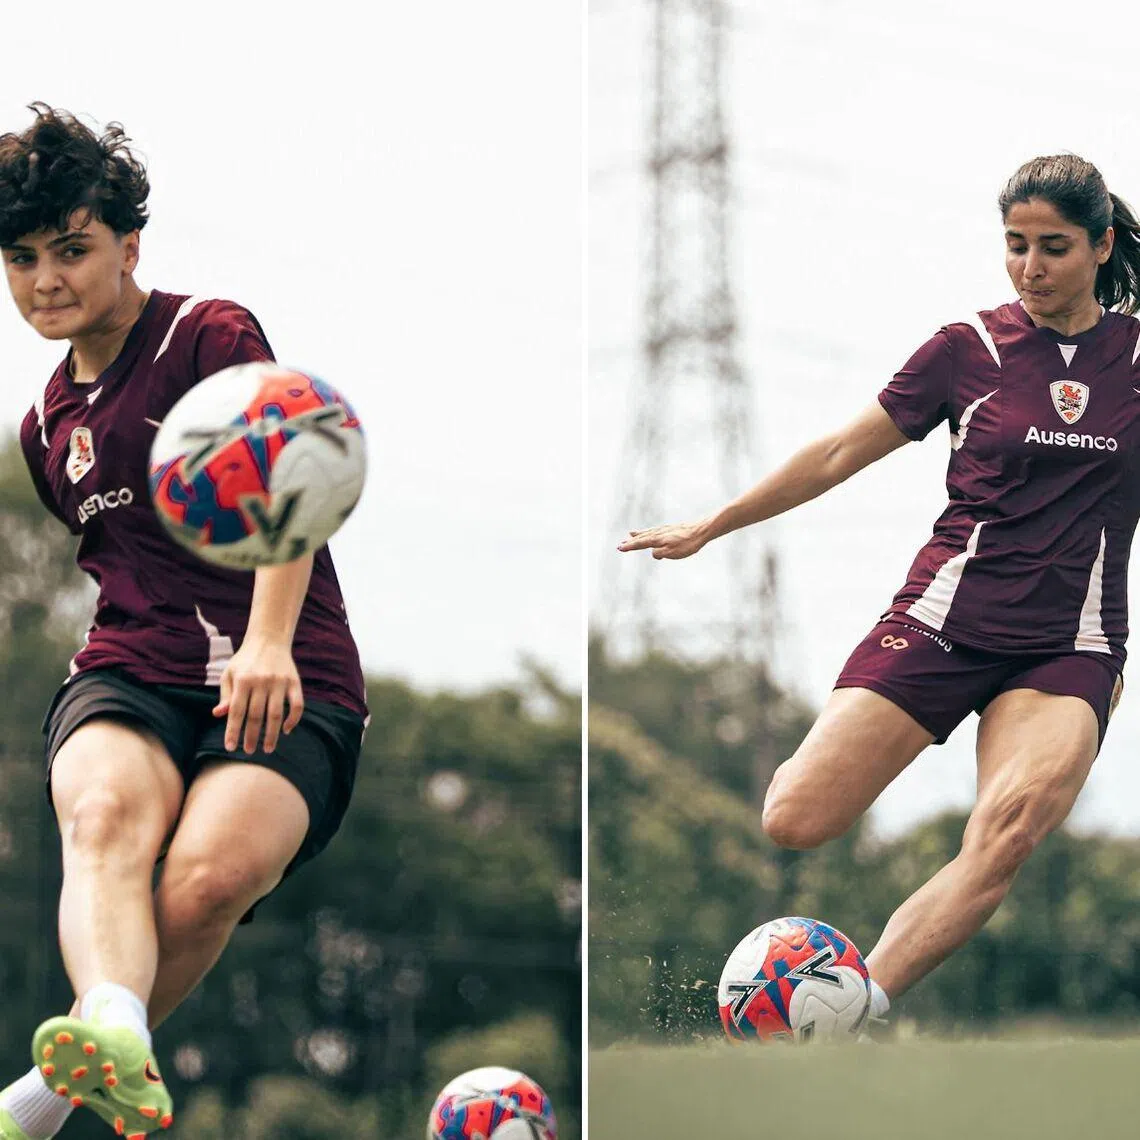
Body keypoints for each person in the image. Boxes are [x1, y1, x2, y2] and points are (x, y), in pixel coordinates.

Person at [619, 153, 1140, 1032]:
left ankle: (848, 1016)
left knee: (1004, 833)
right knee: (793, 816)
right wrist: (715, 522)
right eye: (1015, 245)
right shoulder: (964, 350)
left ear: (1101, 246)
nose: (1030, 267)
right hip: (941, 625)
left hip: (1069, 649)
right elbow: (834, 453)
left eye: (1053, 247)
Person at [0, 104, 368, 1138]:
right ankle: (112, 1023)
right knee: (103, 821)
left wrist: (264, 642)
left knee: (208, 880)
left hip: (287, 671)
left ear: (128, 246)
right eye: (21, 259)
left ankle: (43, 1097)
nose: (47, 281)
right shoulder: (44, 427)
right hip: (130, 667)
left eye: (72, 250)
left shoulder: (205, 333)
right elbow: (121, 568)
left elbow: (294, 475)